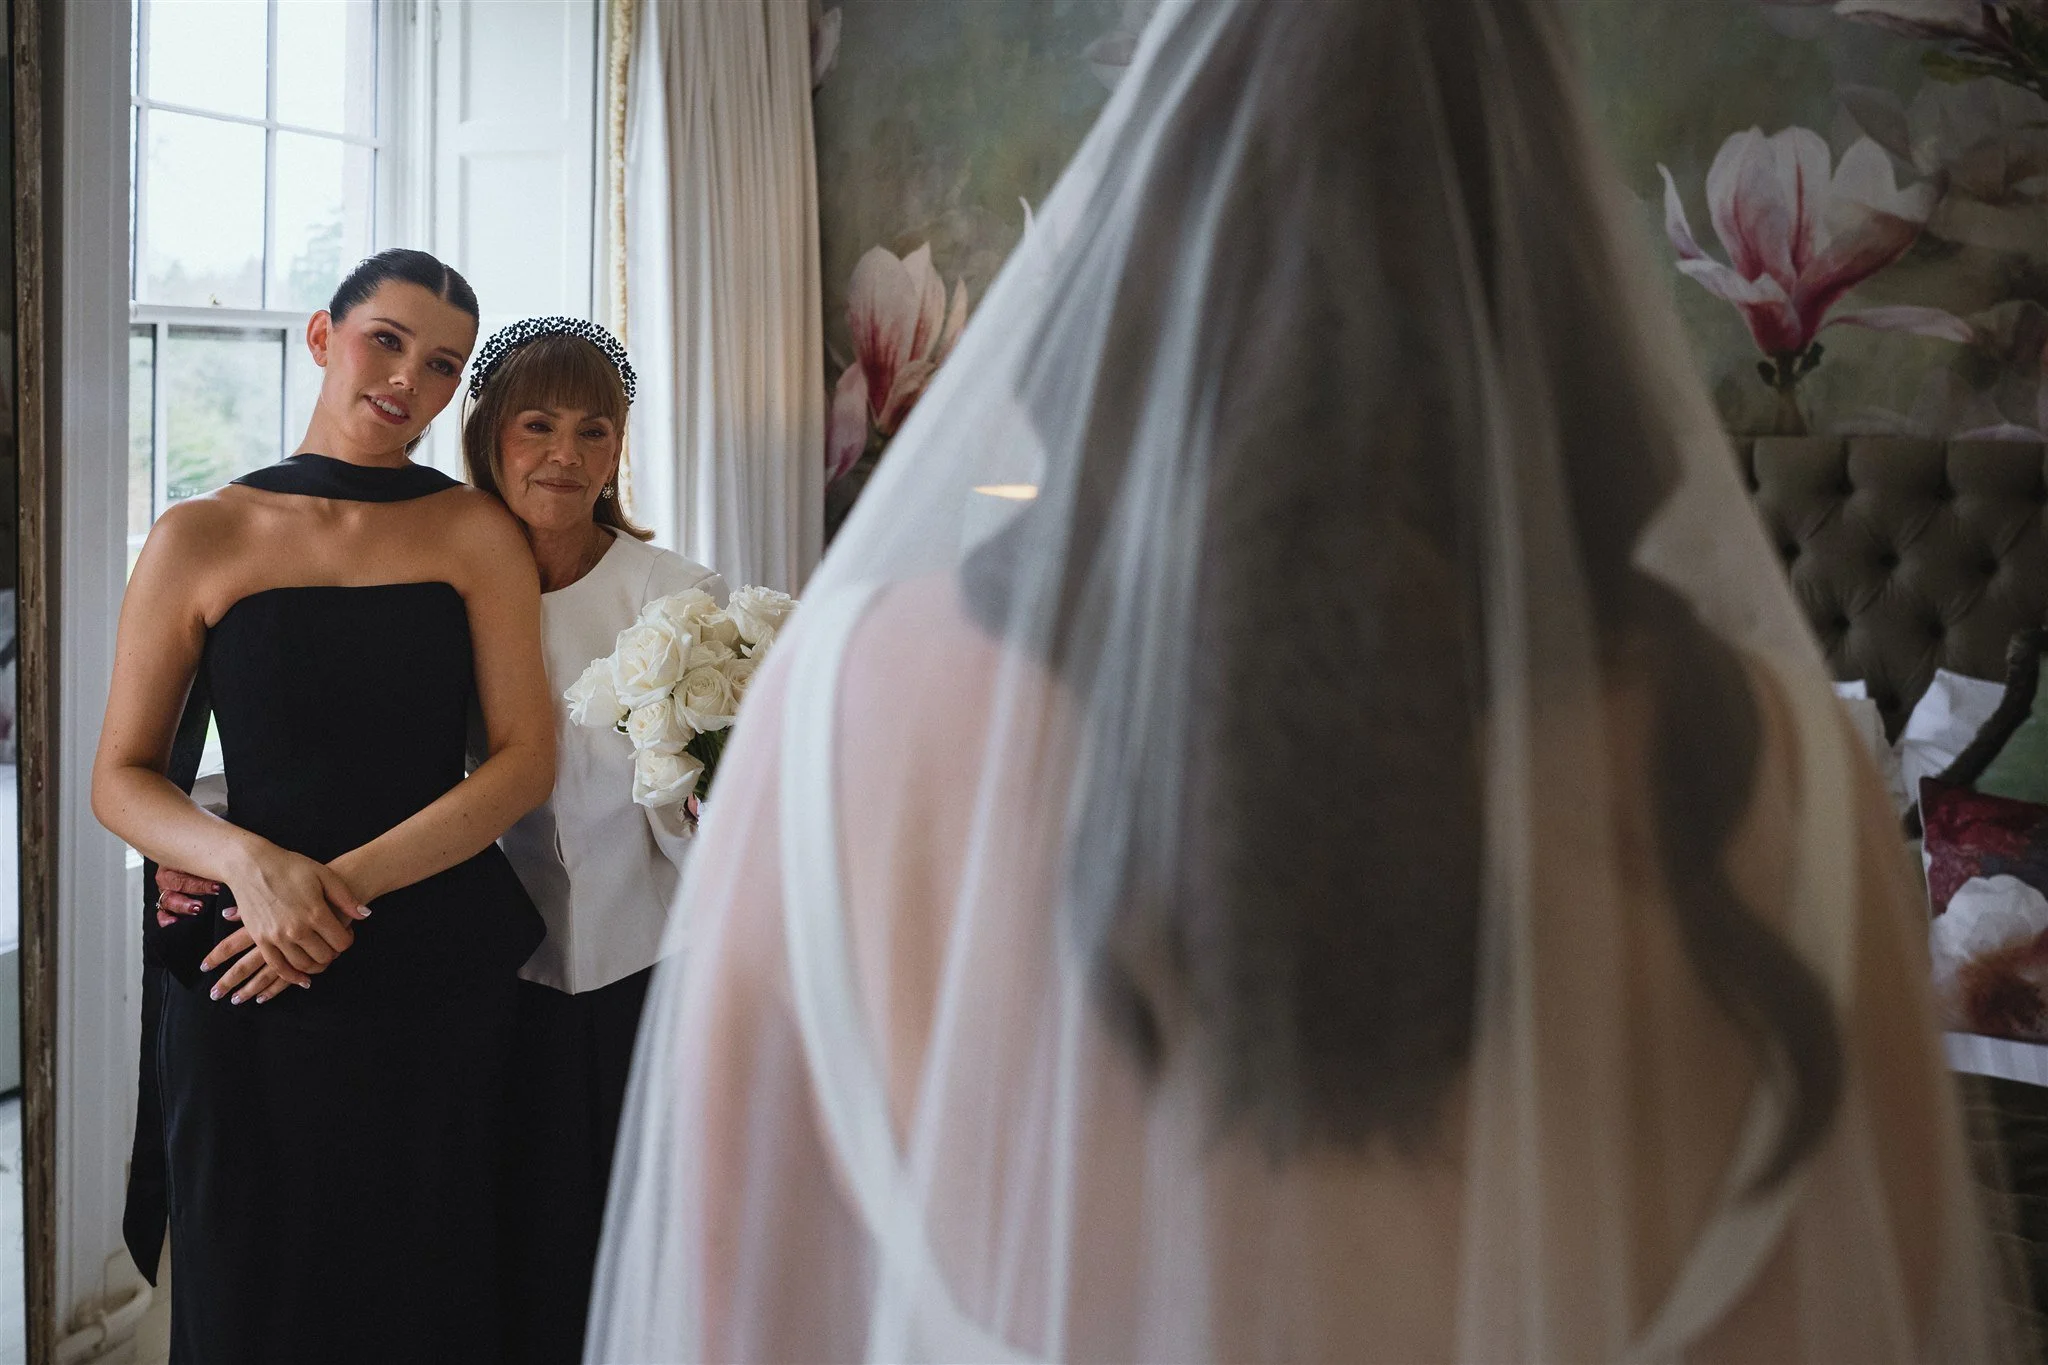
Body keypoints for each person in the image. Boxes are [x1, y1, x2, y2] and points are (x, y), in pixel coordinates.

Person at [585, 1, 2028, 1361]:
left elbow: (734, 1322)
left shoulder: (846, 710)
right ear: (1562, 267)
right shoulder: (1788, 777)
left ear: (1133, 259)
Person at [93, 248, 554, 1365]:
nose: (407, 378)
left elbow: (521, 759)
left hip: (428, 961)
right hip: (245, 976)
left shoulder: (473, 533)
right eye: (384, 341)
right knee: (248, 1278)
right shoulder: (201, 534)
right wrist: (255, 872)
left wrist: (330, 893)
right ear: (321, 336)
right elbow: (121, 777)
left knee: (426, 1277)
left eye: (440, 364)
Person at [462, 316, 726, 1363]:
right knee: (515, 1223)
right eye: (536, 427)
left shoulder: (673, 595)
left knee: (647, 1214)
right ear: (488, 436)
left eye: (594, 432)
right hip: (490, 960)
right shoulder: (438, 585)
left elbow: (717, 781)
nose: (565, 457)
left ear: (619, 450)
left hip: (649, 955)